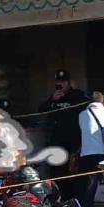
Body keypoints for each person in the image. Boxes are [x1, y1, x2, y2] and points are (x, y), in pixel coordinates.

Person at [39, 69, 89, 200]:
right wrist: (52, 100)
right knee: (57, 175)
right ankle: (60, 201)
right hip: (56, 143)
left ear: (68, 82)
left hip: (73, 143)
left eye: (63, 82)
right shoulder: (53, 98)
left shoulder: (77, 96)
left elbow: (87, 107)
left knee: (74, 174)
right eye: (58, 82)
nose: (61, 85)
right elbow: (41, 110)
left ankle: (74, 202)